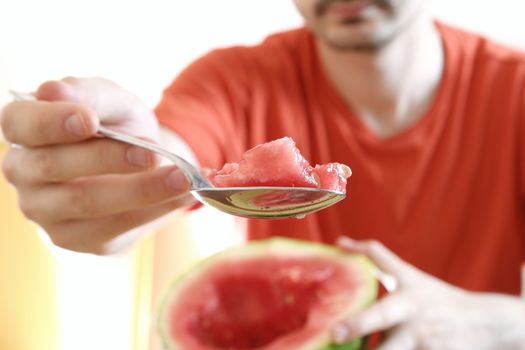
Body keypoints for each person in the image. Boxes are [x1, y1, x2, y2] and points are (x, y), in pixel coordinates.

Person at [2, 0, 525, 348]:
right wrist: (116, 175)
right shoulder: (235, 82)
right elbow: (173, 157)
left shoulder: (516, 92)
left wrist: (490, 322)